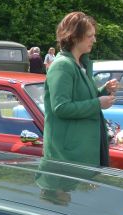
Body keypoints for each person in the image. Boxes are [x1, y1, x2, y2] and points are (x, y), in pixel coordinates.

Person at [43, 11, 118, 167]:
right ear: (75, 37)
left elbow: (83, 99)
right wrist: (98, 103)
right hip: (66, 156)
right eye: (90, 36)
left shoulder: (80, 64)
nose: (94, 40)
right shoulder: (62, 65)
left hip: (79, 152)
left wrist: (104, 90)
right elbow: (61, 107)